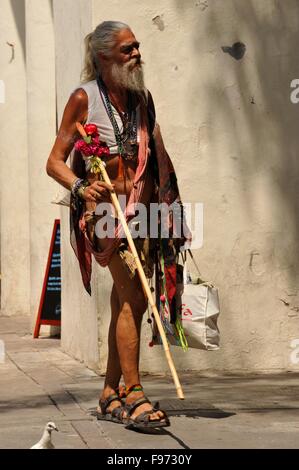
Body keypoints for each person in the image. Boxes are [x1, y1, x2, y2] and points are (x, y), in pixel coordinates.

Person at [47, 21, 190, 431]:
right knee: (134, 297)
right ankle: (134, 393)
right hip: (105, 216)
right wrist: (80, 186)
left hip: (143, 216)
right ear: (104, 56)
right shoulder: (83, 98)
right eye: (128, 49)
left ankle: (110, 393)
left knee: (123, 302)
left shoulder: (142, 99)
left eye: (137, 47)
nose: (137, 54)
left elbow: (153, 160)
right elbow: (54, 161)